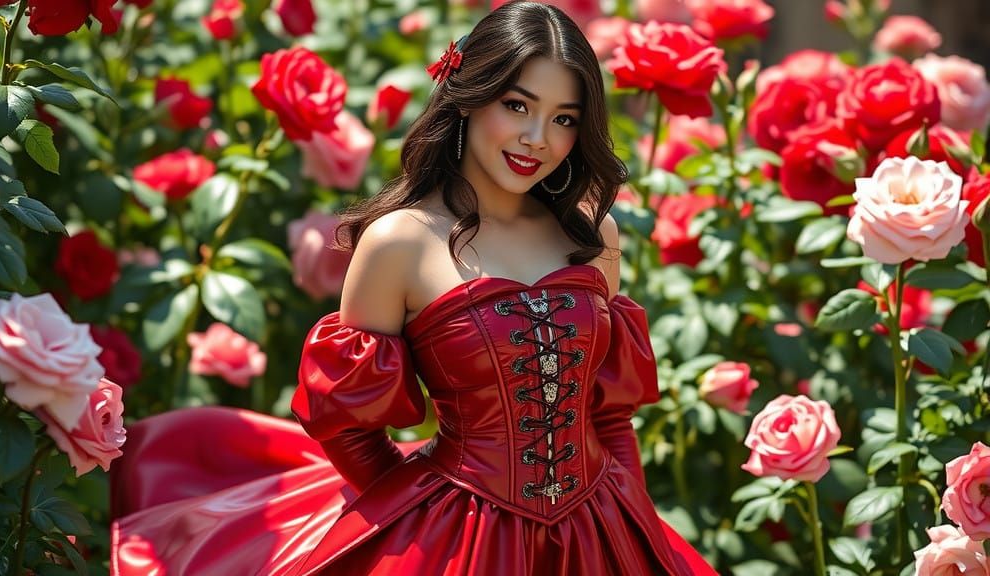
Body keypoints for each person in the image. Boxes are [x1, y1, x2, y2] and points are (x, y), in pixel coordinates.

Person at [110, 2, 719, 574]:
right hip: (456, 533)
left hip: (600, 523)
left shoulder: (592, 234)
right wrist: (411, 521)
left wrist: (636, 527)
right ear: (469, 97)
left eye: (564, 119)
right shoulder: (399, 241)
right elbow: (349, 428)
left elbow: (609, 414)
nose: (538, 137)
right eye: (516, 105)